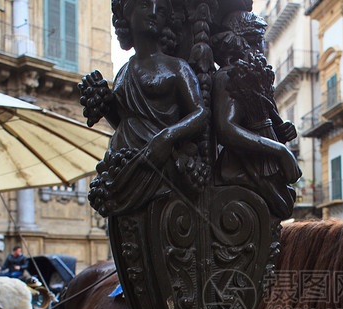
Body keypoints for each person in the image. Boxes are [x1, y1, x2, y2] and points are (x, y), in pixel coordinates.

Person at [79, 0, 208, 217]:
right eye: (145, 5)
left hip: (159, 165)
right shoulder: (123, 73)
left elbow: (200, 113)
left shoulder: (176, 67)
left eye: (162, 9)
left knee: (159, 227)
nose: (154, 13)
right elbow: (123, 123)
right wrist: (104, 105)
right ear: (127, 15)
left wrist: (167, 137)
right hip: (123, 165)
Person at [211, 10, 301, 220]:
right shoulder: (227, 77)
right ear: (244, 43)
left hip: (259, 165)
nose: (262, 49)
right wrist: (280, 151)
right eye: (260, 41)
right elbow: (226, 128)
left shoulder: (254, 78)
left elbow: (261, 120)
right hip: (242, 167)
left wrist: (281, 131)